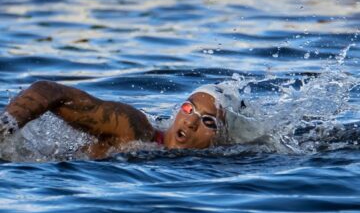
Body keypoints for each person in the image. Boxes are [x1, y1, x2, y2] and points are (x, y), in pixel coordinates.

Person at [0, 80, 246, 159]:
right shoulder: (135, 129)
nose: (191, 122)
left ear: (221, 139)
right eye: (189, 109)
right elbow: (50, 91)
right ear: (177, 111)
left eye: (209, 122)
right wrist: (5, 127)